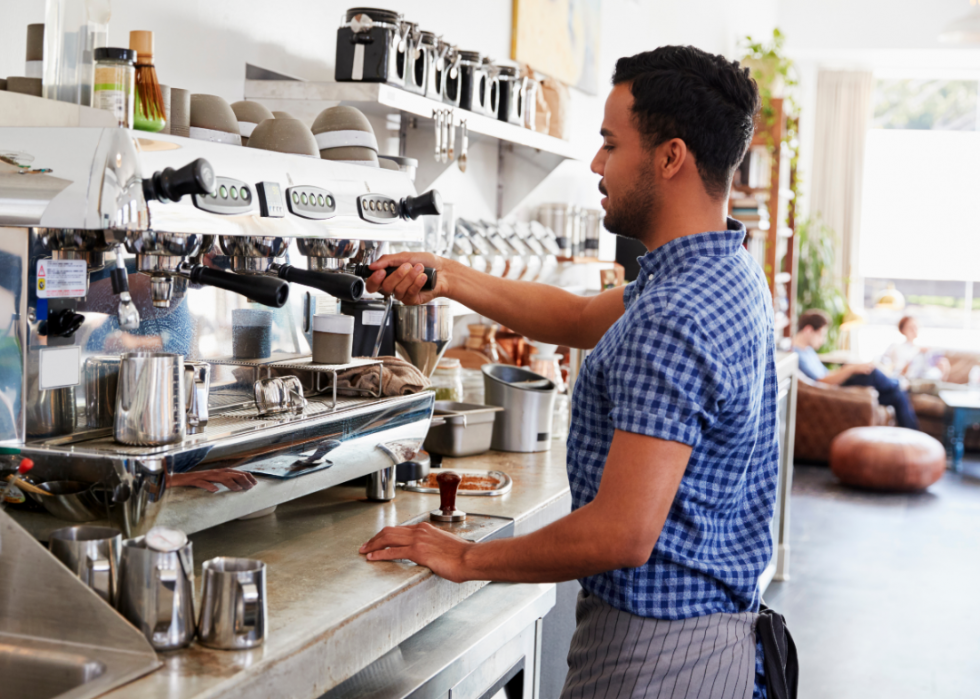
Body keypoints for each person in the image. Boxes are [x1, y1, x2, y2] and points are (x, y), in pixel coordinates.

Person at [361, 46, 778, 699]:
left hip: (658, 660)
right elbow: (580, 316)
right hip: (712, 639)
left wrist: (465, 557)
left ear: (671, 157)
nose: (596, 164)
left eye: (611, 144)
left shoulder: (676, 313)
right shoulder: (721, 270)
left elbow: (621, 532)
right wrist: (448, 276)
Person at [792, 309, 919, 429]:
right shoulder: (796, 354)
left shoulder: (807, 351)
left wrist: (850, 367)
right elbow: (822, 381)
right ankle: (897, 383)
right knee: (872, 373)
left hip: (834, 386)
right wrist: (851, 369)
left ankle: (913, 437)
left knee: (897, 395)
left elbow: (826, 374)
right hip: (832, 391)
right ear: (808, 330)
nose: (823, 340)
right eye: (821, 335)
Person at [882, 316, 950, 381]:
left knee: (943, 363)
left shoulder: (919, 348)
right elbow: (900, 373)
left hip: (923, 376)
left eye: (916, 327)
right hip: (908, 379)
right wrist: (916, 353)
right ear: (903, 330)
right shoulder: (897, 348)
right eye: (911, 327)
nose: (914, 330)